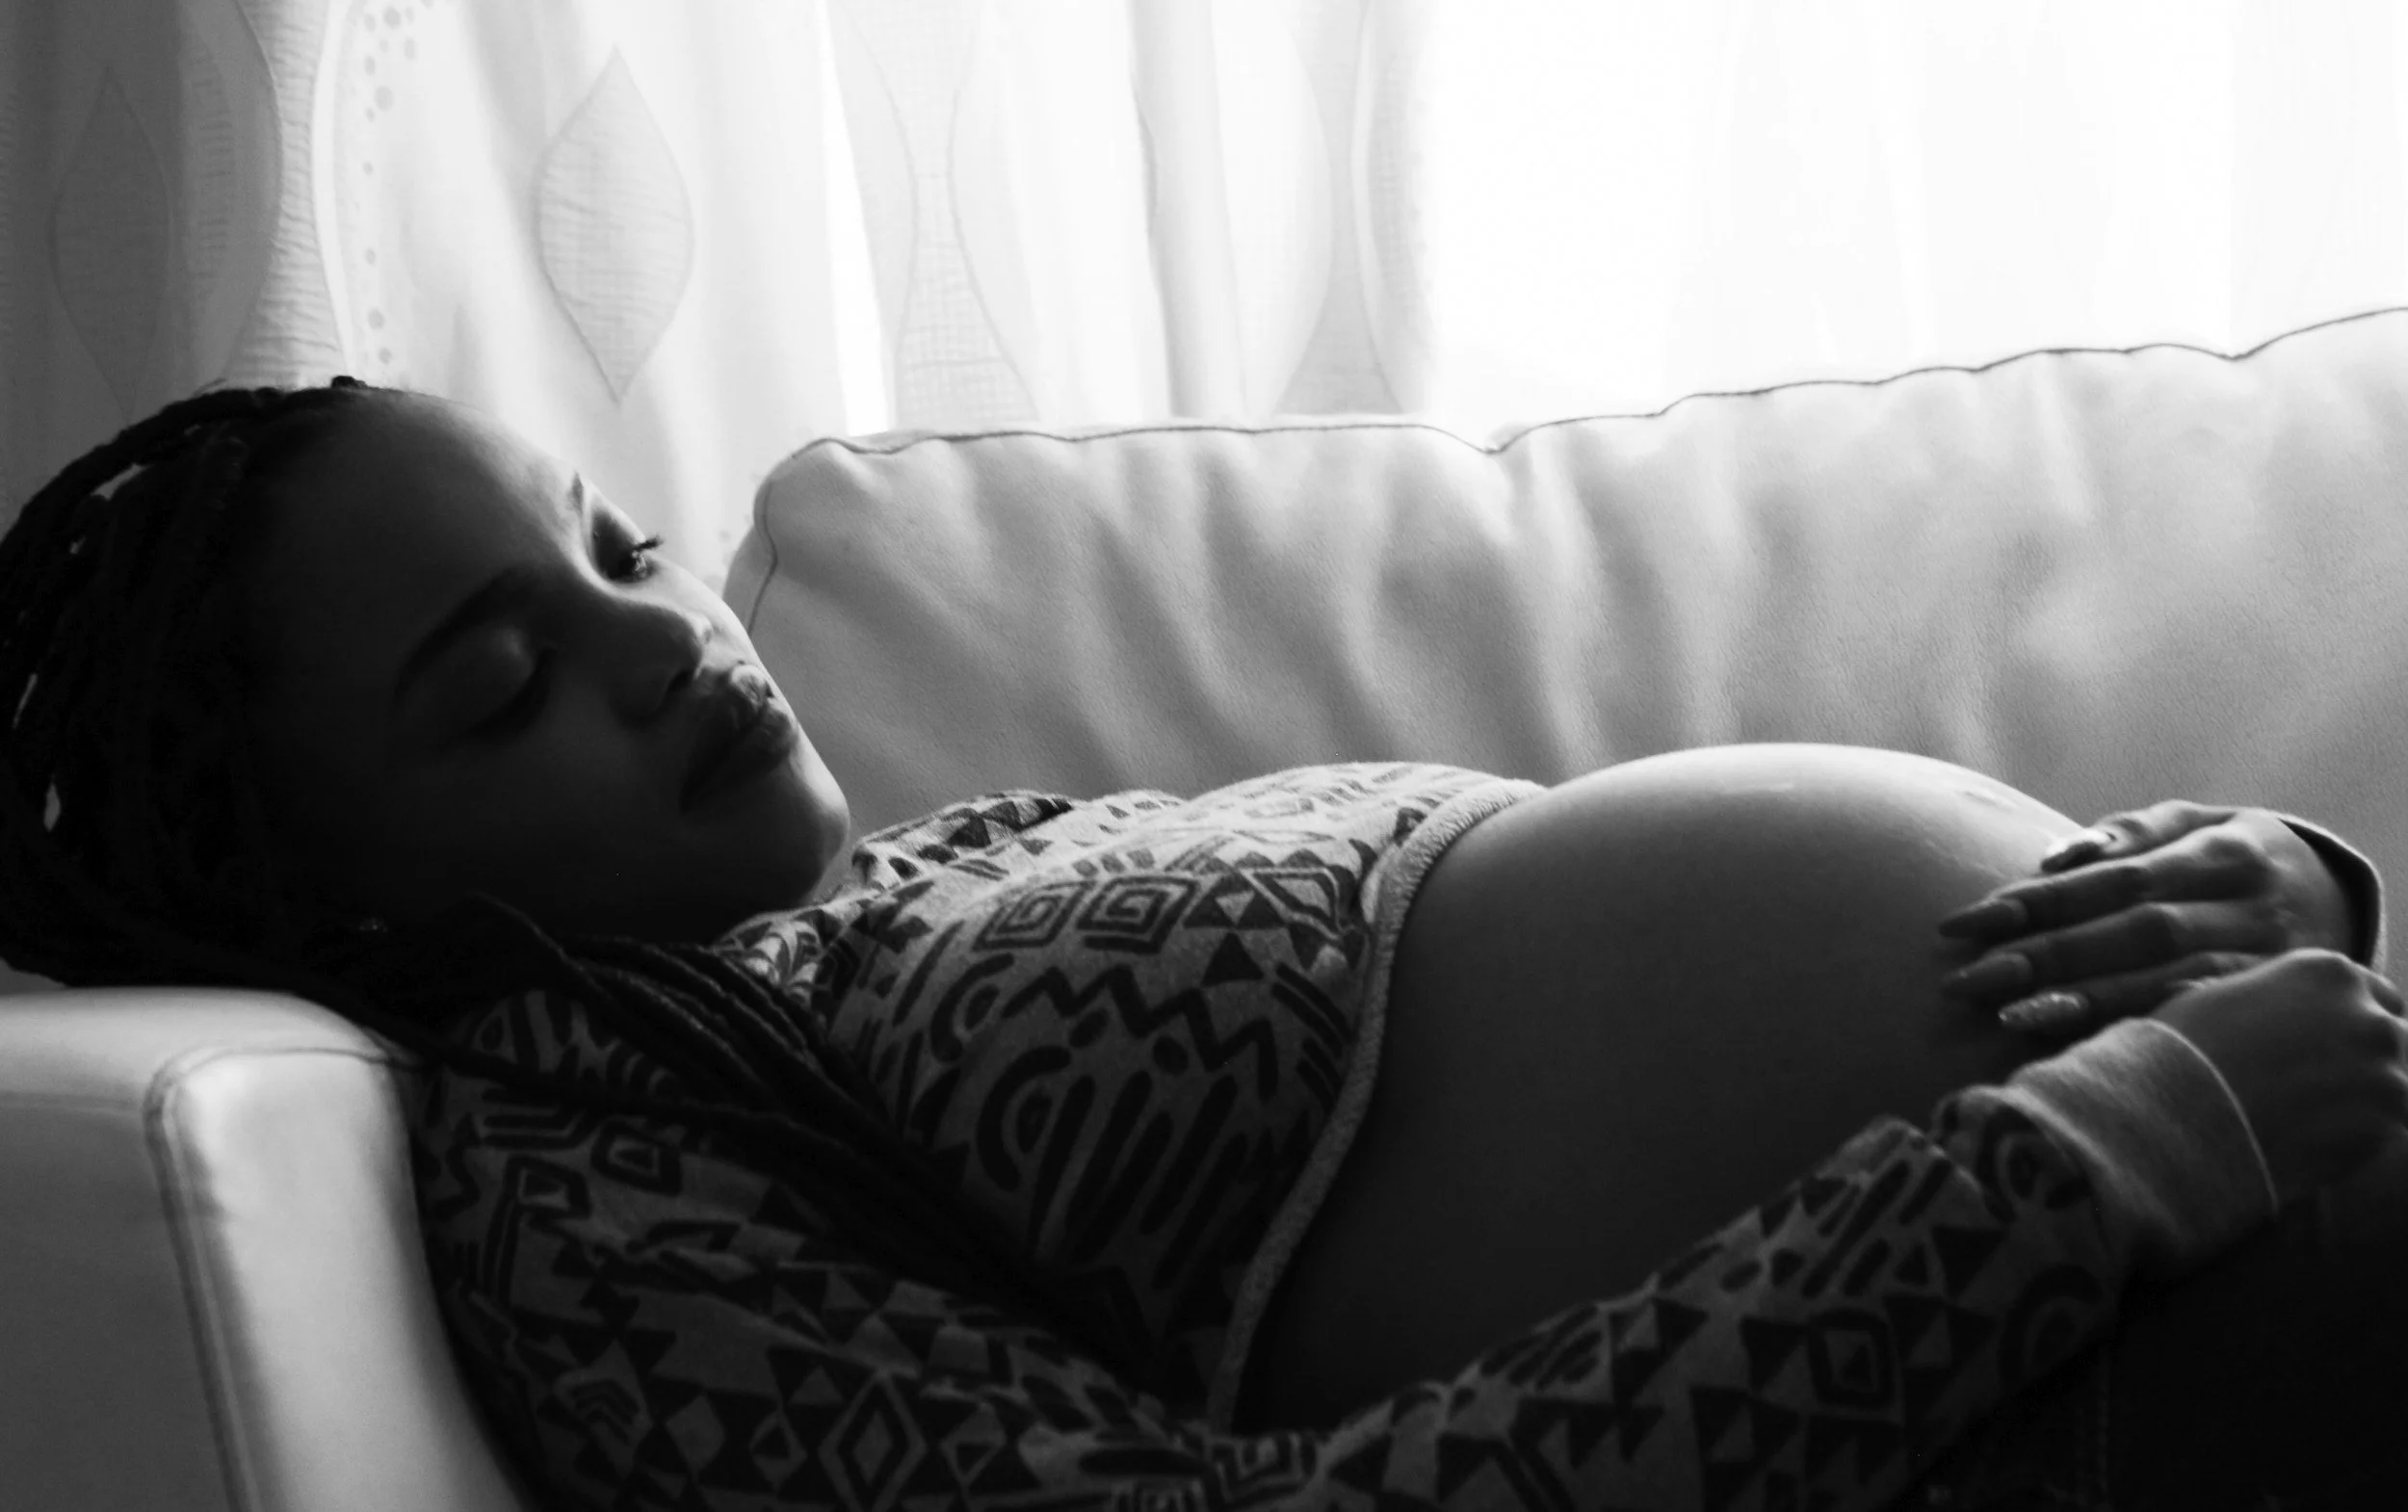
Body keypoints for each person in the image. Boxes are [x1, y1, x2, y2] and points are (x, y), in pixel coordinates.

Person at [0, 377, 2401, 1512]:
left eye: (616, 546)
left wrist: (2260, 884)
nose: (654, 637)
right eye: (504, 680)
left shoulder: (941, 873)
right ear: (341, 893)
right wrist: (2084, 1159)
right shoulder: (586, 1174)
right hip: (2082, 1378)